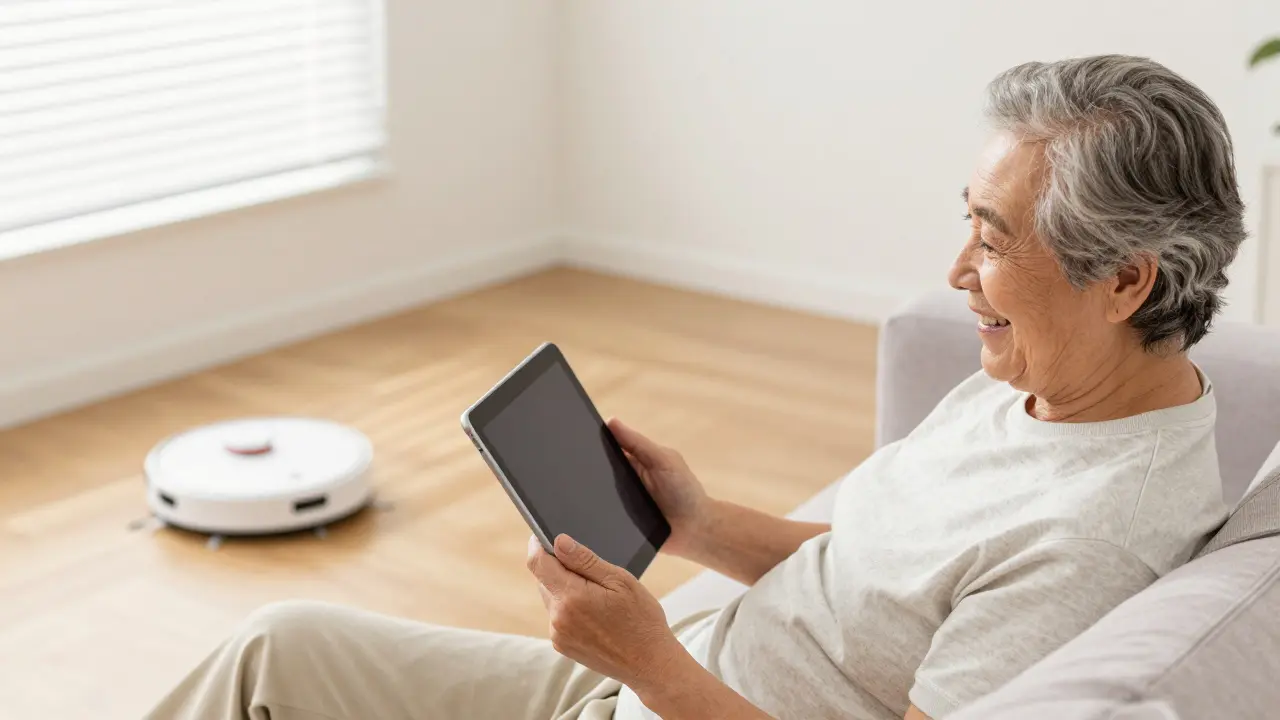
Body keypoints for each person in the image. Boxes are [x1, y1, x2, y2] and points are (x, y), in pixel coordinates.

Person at [146, 54, 1246, 720]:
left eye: (991, 239)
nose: (957, 271)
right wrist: (701, 526)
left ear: (1124, 280)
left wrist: (652, 660)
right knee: (276, 643)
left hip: (665, 695)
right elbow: (875, 578)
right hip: (640, 692)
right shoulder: (1044, 389)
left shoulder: (1093, 535)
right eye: (965, 219)